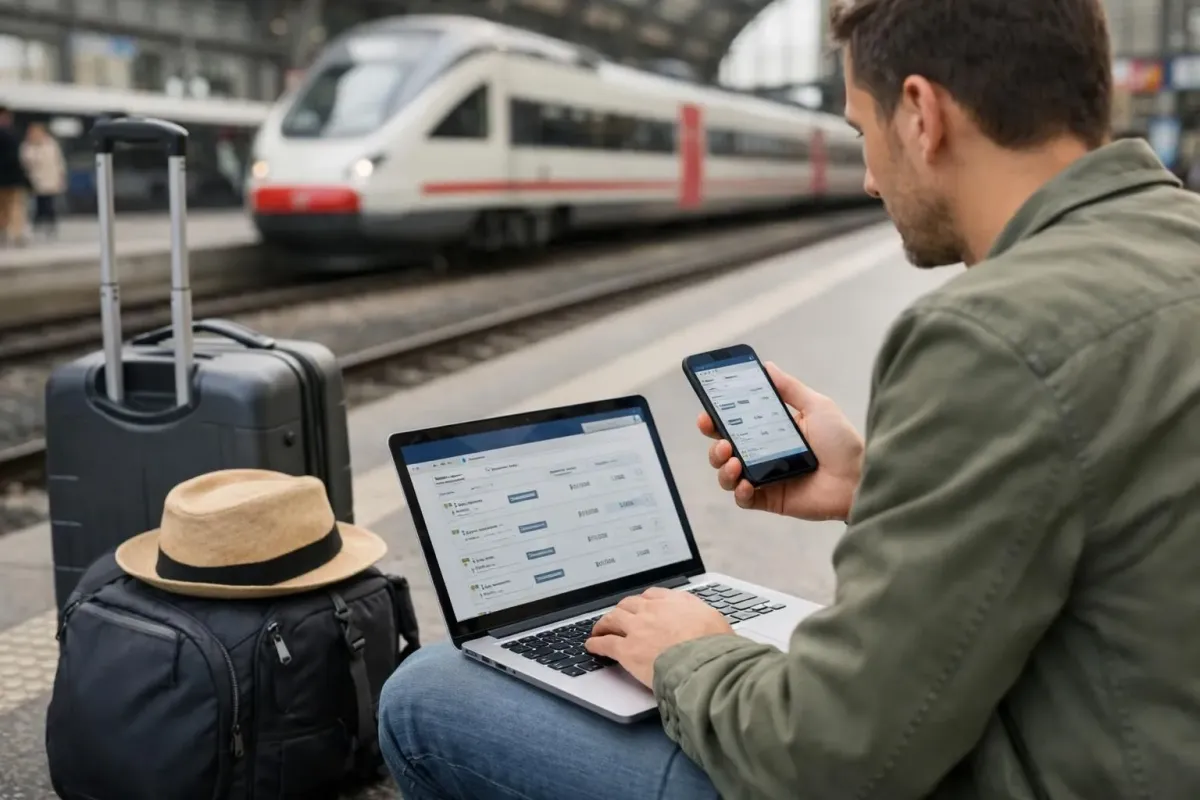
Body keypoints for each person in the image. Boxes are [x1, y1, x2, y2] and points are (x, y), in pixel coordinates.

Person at [377, 0, 1200, 797]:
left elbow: (830, 761)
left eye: (860, 133)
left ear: (920, 114)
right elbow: (1104, 501)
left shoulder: (992, 333)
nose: (870, 179)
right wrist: (880, 485)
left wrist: (689, 654)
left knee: (431, 693)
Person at [20, 121, 66, 239]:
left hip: (50, 178)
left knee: (49, 204)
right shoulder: (28, 146)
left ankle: (50, 226)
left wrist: (61, 177)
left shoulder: (51, 144)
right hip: (35, 179)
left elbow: (59, 161)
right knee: (38, 204)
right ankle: (37, 225)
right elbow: (26, 161)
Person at [0, 104, 30, 246]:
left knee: (3, 208)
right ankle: (17, 235)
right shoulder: (11, 134)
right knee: (16, 207)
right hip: (13, 178)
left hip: (8, 178)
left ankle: (4, 233)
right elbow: (16, 159)